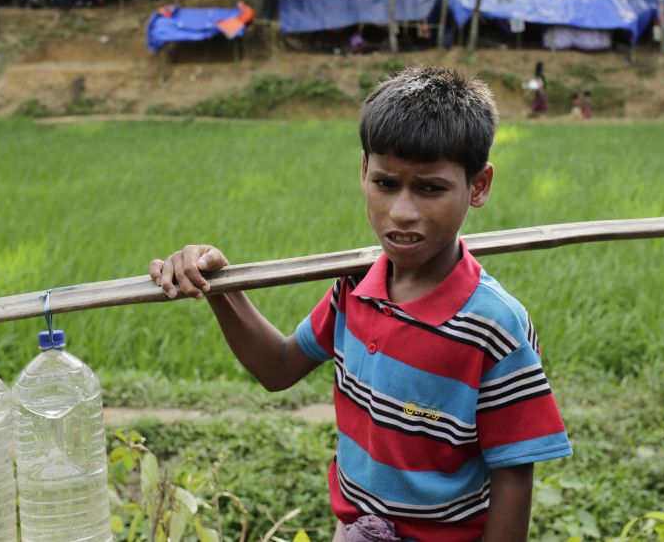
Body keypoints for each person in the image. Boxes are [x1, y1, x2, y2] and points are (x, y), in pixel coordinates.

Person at [148, 66, 572, 541]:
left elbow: (513, 474)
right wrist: (220, 285)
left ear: (479, 185)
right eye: (386, 183)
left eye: (430, 188)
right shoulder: (356, 287)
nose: (402, 211)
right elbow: (278, 367)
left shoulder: (494, 326)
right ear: (364, 172)